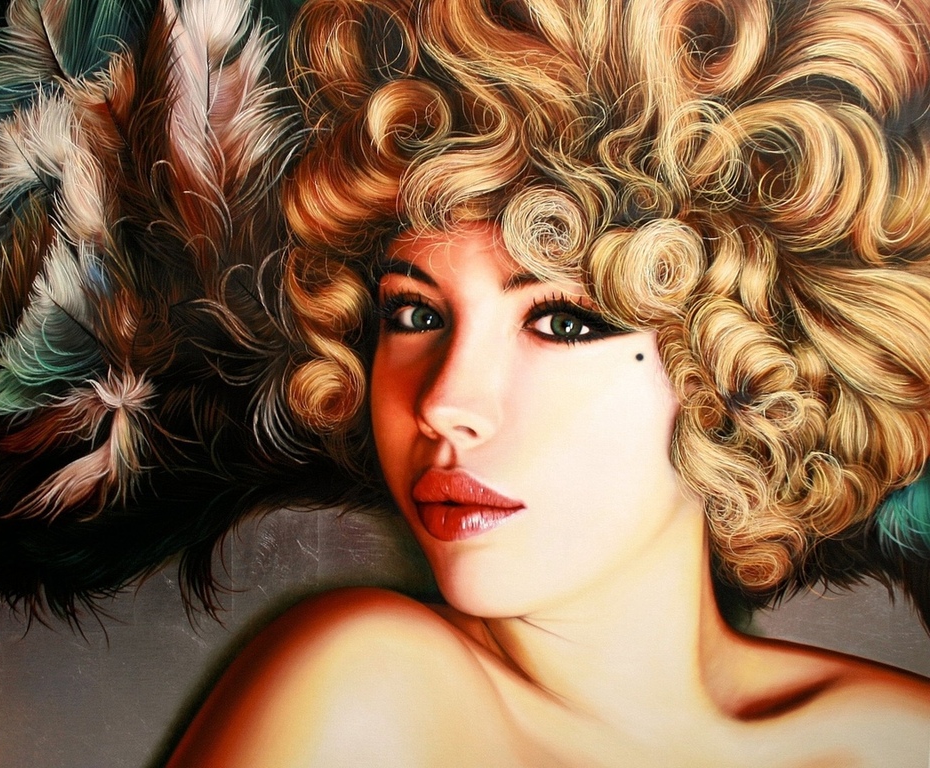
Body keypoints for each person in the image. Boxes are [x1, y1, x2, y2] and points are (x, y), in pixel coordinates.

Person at [165, 0, 930, 764]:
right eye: (414, 314)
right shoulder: (363, 689)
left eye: (564, 322)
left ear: (737, 371)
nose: (444, 405)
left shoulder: (899, 741)